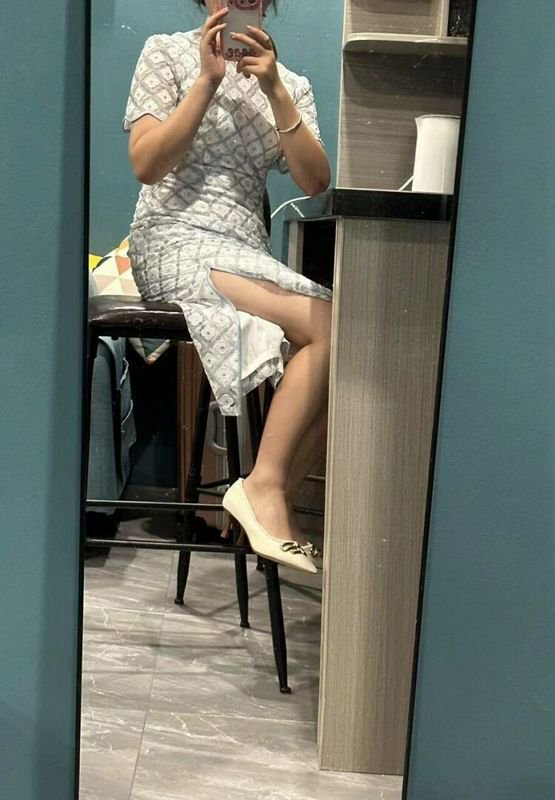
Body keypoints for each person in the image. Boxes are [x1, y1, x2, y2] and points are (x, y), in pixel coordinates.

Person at [124, 0, 332, 573]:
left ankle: (264, 496)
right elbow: (146, 164)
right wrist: (206, 81)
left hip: (244, 250)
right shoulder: (166, 53)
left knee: (347, 340)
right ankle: (265, 492)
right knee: (330, 326)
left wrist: (275, 90)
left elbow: (315, 181)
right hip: (172, 237)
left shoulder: (290, 83)